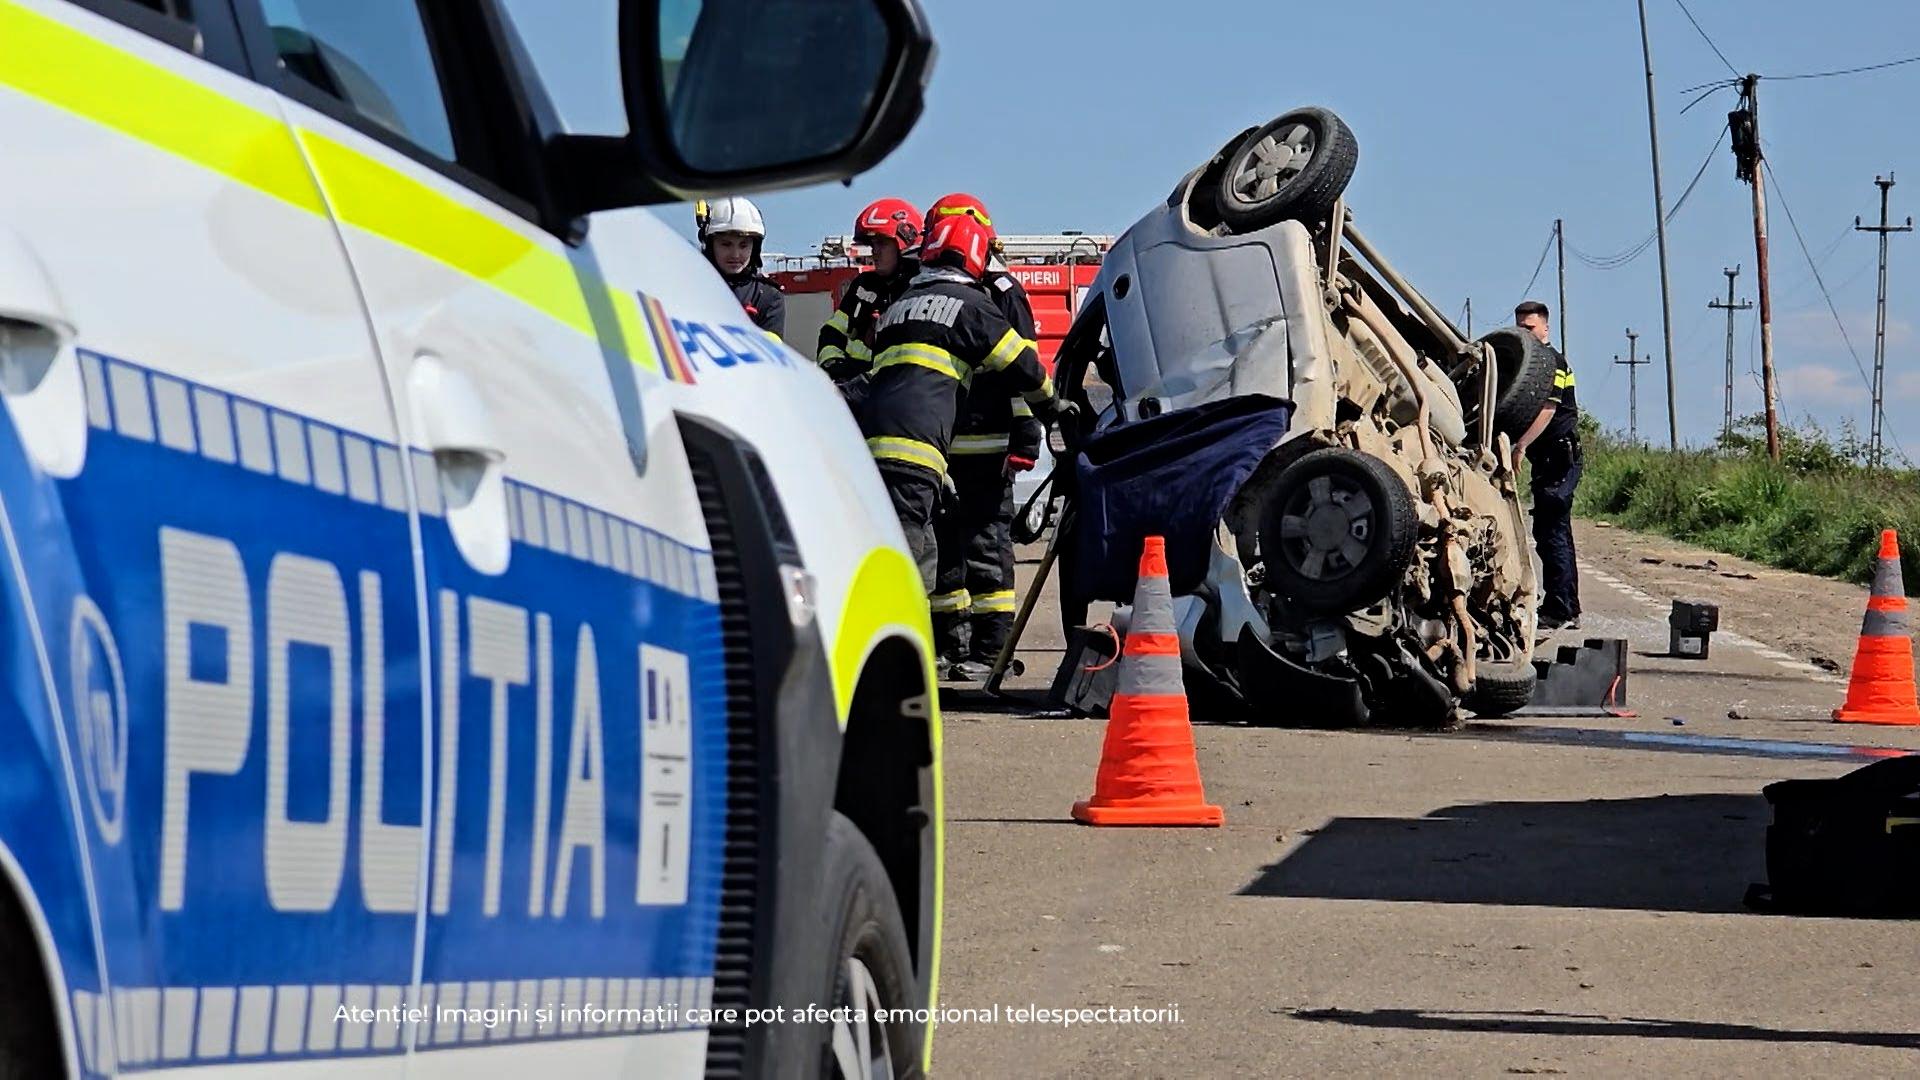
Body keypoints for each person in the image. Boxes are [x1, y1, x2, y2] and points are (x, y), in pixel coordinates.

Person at [859, 210, 1068, 674]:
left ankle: (929, 645)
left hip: (874, 446)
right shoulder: (971, 306)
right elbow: (1024, 366)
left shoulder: (897, 307)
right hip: (921, 450)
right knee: (915, 554)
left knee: (916, 545)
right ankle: (895, 655)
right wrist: (1055, 408)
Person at [923, 192, 1043, 677]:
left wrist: (1025, 440)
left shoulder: (1004, 291)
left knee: (986, 546)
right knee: (948, 545)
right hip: (948, 440)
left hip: (990, 441)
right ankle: (955, 645)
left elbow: (1027, 369)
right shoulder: (945, 286)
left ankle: (992, 649)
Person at [1511, 300, 1582, 631]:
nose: (1524, 332)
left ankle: (1559, 608)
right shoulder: (1534, 362)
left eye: (1529, 327)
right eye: (1519, 327)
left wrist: (1521, 445)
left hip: (1558, 457)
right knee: (1557, 532)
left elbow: (1549, 409)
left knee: (1551, 532)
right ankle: (1568, 605)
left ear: (1545, 328)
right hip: (1551, 458)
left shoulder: (1551, 363)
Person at [817, 197, 922, 382]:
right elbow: (832, 331)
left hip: (893, 390)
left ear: (905, 244)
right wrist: (832, 364)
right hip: (852, 385)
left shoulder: (919, 291)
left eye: (882, 243)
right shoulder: (864, 284)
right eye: (872, 245)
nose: (874, 251)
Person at [696, 196, 786, 337]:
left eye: (743, 245)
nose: (735, 254)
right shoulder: (690, 288)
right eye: (726, 244)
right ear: (710, 245)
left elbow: (770, 353)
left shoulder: (768, 297)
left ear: (755, 248)